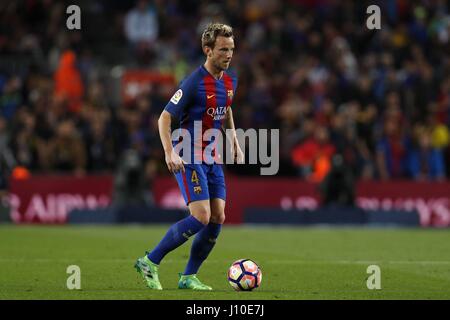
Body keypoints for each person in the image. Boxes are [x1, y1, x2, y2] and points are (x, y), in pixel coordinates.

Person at [134, 23, 243, 290]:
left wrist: (234, 142)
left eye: (231, 49)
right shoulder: (193, 82)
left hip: (212, 157)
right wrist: (169, 152)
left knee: (218, 216)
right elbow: (164, 117)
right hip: (188, 154)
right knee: (201, 216)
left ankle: (188, 276)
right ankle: (150, 260)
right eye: (222, 50)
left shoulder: (230, 81)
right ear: (208, 50)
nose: (228, 55)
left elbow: (225, 108)